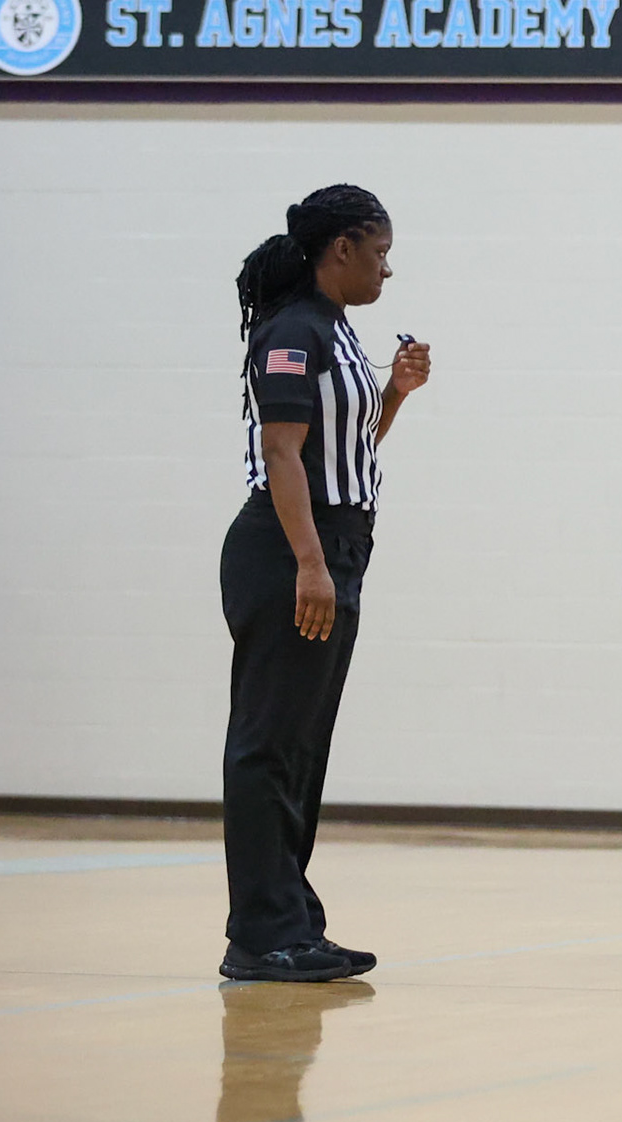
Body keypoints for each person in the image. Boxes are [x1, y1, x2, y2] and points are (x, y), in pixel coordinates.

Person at [219, 184, 431, 982]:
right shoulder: (292, 329)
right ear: (340, 248)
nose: (386, 269)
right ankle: (260, 935)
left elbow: (346, 451)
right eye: (378, 252)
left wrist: (396, 396)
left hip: (333, 545)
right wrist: (309, 563)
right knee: (268, 747)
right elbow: (282, 456)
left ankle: (292, 924)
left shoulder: (338, 332)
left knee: (303, 749)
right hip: (286, 551)